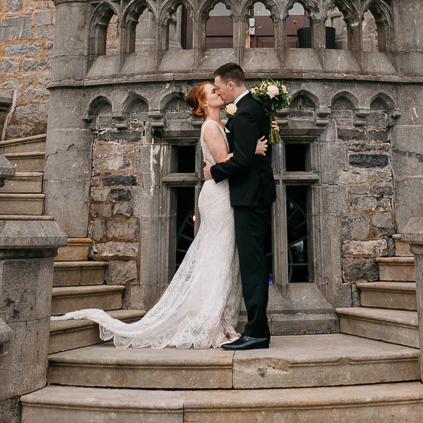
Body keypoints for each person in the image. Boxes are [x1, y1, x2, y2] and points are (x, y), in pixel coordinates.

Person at [50, 79, 266, 348]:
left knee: (224, 258)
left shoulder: (223, 124)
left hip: (226, 195)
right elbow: (225, 162)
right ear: (203, 103)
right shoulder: (211, 127)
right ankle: (210, 325)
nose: (218, 92)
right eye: (213, 91)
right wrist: (252, 150)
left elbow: (234, 149)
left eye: (216, 88)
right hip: (219, 197)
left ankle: (224, 320)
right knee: (217, 256)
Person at [209, 60, 274, 350]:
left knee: (253, 267)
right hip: (252, 195)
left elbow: (243, 160)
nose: (219, 91)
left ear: (231, 84)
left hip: (250, 196)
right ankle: (256, 329)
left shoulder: (246, 112)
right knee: (253, 265)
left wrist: (214, 172)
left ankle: (257, 332)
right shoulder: (250, 109)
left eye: (220, 86)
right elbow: (249, 151)